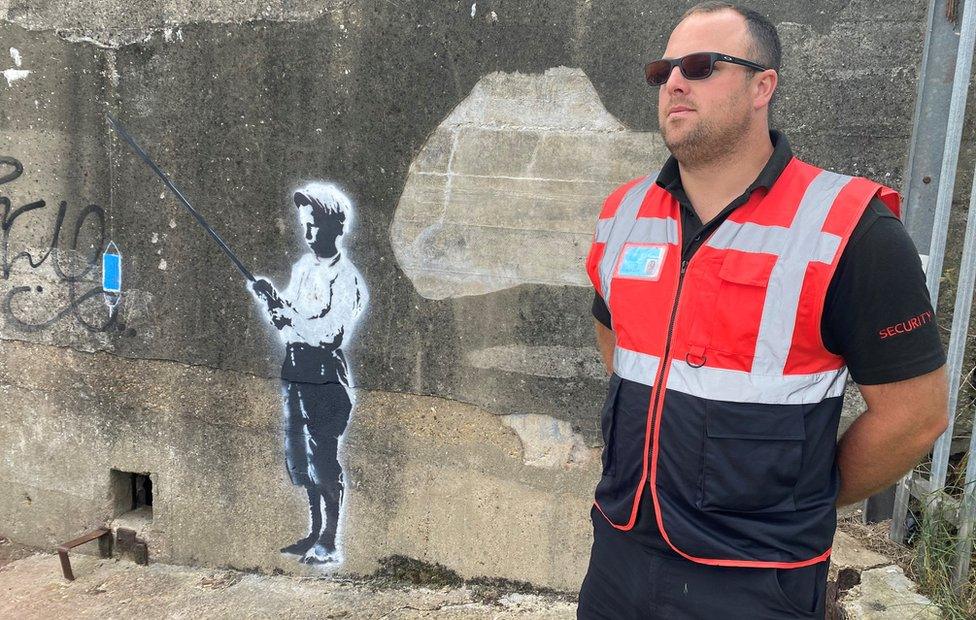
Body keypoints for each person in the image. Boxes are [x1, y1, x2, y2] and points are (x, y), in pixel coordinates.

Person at [578, 3, 948, 618]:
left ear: (762, 86)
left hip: (754, 575)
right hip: (618, 552)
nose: (674, 81)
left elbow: (915, 417)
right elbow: (612, 328)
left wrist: (807, 495)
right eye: (664, 69)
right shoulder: (626, 211)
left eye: (699, 66)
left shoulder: (850, 226)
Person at [251, 182, 368, 565]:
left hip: (324, 375)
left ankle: (331, 539)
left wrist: (291, 317)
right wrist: (274, 302)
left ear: (335, 225)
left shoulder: (345, 277)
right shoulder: (302, 268)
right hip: (295, 370)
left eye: (314, 223)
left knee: (323, 461)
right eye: (305, 223)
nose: (308, 232)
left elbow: (331, 333)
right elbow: (289, 326)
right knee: (300, 459)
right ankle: (314, 531)